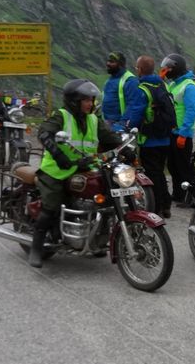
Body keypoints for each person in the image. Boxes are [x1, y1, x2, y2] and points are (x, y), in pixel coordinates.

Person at [31, 79, 125, 268]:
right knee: (51, 206)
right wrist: (59, 157)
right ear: (75, 101)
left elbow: (108, 137)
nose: (90, 104)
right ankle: (36, 247)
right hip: (57, 170)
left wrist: (124, 147)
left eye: (91, 100)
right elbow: (44, 133)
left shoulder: (92, 119)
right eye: (86, 100)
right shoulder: (61, 116)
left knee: (104, 196)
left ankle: (95, 239)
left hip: (85, 167)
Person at [128, 55, 174, 218]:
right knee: (159, 171)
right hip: (166, 137)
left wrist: (128, 126)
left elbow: (137, 113)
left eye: (136, 68)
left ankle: (156, 207)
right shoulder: (163, 85)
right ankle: (166, 204)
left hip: (149, 139)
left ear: (140, 70)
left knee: (151, 173)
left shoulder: (143, 89)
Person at [160, 53, 195, 206]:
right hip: (172, 132)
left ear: (177, 68)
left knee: (184, 166)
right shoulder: (173, 84)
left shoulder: (190, 86)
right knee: (172, 165)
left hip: (182, 134)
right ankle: (178, 193)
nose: (167, 70)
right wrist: (161, 80)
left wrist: (184, 133)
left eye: (169, 68)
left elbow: (191, 111)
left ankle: (191, 196)